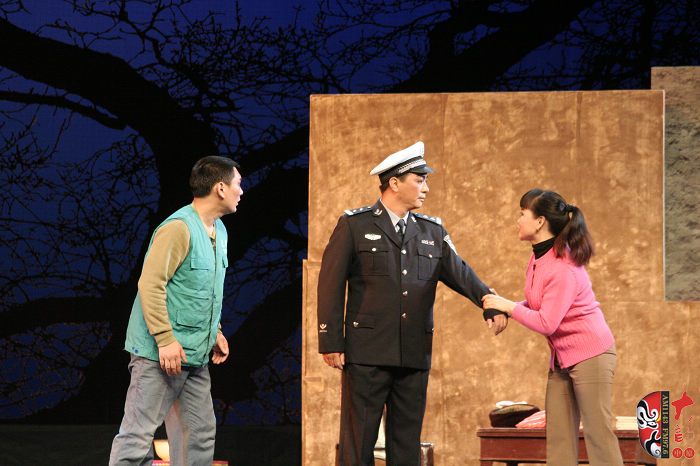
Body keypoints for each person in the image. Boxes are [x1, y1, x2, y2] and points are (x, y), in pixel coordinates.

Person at [317, 141, 507, 466]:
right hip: (367, 353)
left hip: (413, 353)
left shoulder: (431, 231)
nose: (426, 188)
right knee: (358, 444)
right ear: (394, 183)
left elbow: (461, 273)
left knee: (406, 447)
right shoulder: (355, 225)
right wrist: (331, 341)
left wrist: (490, 302)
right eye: (420, 180)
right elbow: (330, 285)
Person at [109, 155, 243, 466]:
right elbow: (150, 284)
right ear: (221, 188)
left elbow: (202, 290)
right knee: (137, 437)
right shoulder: (178, 228)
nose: (241, 191)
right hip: (159, 354)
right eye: (238, 183)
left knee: (199, 435)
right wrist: (165, 339)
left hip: (195, 355)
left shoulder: (220, 231)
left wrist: (215, 332)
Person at [482, 189, 623, 466]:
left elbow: (547, 322)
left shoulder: (562, 266)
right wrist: (505, 306)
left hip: (591, 355)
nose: (517, 220)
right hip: (562, 360)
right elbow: (541, 303)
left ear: (539, 222)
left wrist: (508, 307)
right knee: (559, 438)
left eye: (522, 214)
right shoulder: (539, 258)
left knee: (598, 434)